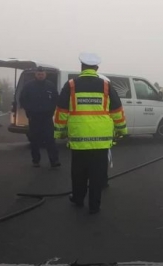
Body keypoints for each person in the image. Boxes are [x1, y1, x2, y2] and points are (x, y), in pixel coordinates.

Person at [54, 53, 127, 214]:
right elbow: (117, 110)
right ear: (96, 68)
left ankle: (78, 199)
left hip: (79, 139)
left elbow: (61, 112)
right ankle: (94, 205)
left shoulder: (71, 85)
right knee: (97, 174)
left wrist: (59, 133)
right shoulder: (106, 86)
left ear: (82, 67)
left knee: (78, 172)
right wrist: (121, 130)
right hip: (101, 140)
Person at [19, 66, 60, 168]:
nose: (40, 76)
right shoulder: (29, 86)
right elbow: (22, 99)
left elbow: (56, 99)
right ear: (35, 75)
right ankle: (36, 160)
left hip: (47, 117)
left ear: (45, 75)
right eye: (38, 74)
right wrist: (29, 110)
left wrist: (52, 110)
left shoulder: (50, 86)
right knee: (34, 140)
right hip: (34, 117)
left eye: (42, 74)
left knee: (50, 140)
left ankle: (54, 161)